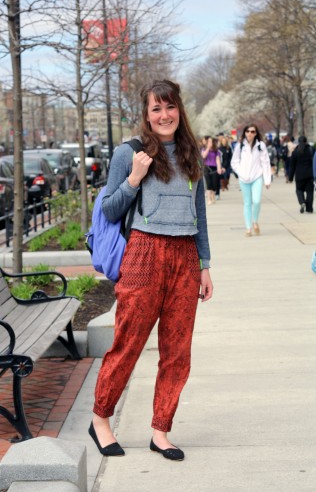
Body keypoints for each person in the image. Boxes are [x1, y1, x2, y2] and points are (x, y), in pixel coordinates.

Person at [89, 79, 213, 461]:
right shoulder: (130, 153)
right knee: (128, 344)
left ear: (180, 109)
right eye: (156, 109)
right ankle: (100, 420)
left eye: (170, 106)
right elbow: (110, 210)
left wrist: (204, 264)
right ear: (146, 114)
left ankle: (161, 431)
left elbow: (200, 215)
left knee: (177, 350)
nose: (164, 115)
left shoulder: (192, 153)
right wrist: (133, 179)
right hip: (144, 253)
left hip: (185, 257)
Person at [231, 124, 271, 236]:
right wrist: (240, 172)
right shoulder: (240, 146)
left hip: (257, 177)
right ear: (245, 132)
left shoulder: (261, 145)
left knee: (257, 200)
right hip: (243, 179)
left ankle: (255, 221)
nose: (250, 133)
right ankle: (248, 228)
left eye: (252, 131)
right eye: (248, 131)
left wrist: (267, 179)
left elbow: (266, 162)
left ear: (256, 133)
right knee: (247, 203)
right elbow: (234, 162)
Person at [288, 135, 314, 213]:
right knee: (310, 192)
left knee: (299, 190)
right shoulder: (311, 150)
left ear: (298, 142)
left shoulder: (295, 152)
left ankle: (302, 202)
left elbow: (292, 166)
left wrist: (290, 177)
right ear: (306, 141)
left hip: (299, 175)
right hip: (310, 174)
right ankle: (309, 208)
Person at [200, 136, 222, 205]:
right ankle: (209, 199)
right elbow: (203, 156)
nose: (210, 143)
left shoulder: (216, 151)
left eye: (211, 141)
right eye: (209, 141)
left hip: (214, 168)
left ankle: (213, 196)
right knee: (208, 184)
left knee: (214, 184)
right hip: (206, 167)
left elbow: (218, 160)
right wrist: (208, 148)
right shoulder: (204, 149)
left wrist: (219, 168)